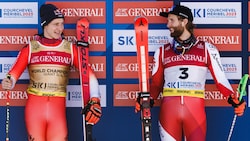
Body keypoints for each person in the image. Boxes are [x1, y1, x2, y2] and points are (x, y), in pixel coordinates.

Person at [1, 3, 101, 141]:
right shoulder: (31, 48)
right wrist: (9, 82)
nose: (60, 28)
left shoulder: (69, 48)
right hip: (35, 109)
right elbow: (13, 74)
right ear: (45, 24)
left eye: (62, 24)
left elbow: (89, 75)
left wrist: (95, 99)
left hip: (57, 110)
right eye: (56, 24)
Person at [149, 4, 246, 141]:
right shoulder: (162, 51)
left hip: (194, 113)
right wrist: (147, 100)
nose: (168, 25)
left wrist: (233, 99)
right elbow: (156, 85)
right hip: (169, 112)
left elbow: (221, 80)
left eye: (172, 20)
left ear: (184, 21)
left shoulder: (207, 49)